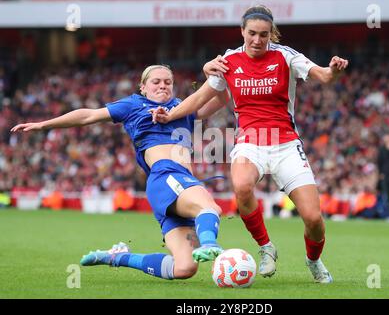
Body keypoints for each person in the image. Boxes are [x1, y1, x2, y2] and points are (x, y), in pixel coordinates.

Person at [152, 5, 349, 283]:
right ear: (242, 31)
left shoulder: (285, 56)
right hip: (250, 141)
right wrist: (170, 114)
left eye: (264, 35)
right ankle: (265, 247)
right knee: (242, 186)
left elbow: (324, 76)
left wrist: (334, 70)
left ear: (271, 35)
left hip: (285, 143)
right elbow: (201, 96)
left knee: (314, 219)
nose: (257, 40)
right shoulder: (229, 61)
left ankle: (313, 260)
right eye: (252, 33)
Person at [10, 63, 229, 280]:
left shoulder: (183, 107)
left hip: (179, 182)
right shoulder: (134, 105)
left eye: (168, 82)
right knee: (208, 207)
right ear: (143, 87)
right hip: (166, 175)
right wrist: (44, 125)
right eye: (156, 82)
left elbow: (221, 99)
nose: (162, 86)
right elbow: (88, 116)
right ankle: (210, 244)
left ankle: (119, 257)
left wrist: (216, 75)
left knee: (184, 268)